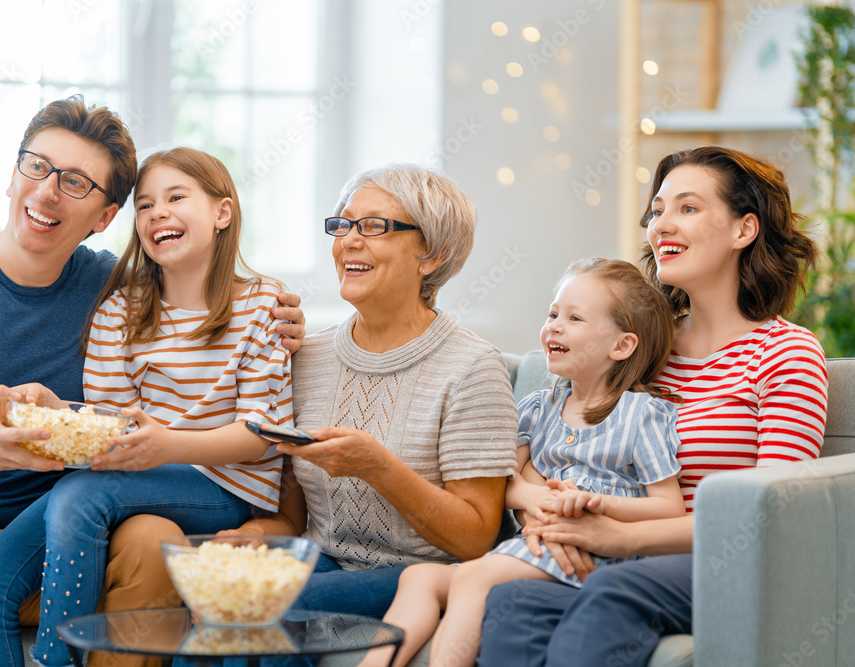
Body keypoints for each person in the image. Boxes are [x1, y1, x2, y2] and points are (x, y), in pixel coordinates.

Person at [0, 96, 306, 667]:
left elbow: (214, 303)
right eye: (37, 166)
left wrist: (293, 327)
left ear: (105, 216)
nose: (46, 191)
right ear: (13, 174)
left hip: (105, 536)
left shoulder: (120, 293)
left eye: (74, 182)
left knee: (150, 539)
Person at [477, 146, 828, 667]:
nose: (662, 224)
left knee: (617, 592)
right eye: (657, 210)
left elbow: (771, 513)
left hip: (718, 559)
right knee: (513, 601)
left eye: (687, 208)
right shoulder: (640, 350)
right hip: (615, 547)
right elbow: (562, 447)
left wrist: (619, 538)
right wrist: (550, 514)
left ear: (743, 230)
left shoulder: (785, 352)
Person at [0, 146, 294, 666]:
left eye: (176, 197)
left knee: (79, 496)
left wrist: (166, 445)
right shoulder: (120, 311)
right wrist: (57, 411)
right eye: (144, 205)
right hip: (133, 474)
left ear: (222, 213)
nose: (157, 212)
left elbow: (259, 436)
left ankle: (57, 659)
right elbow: (111, 433)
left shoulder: (263, 305)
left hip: (225, 484)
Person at [225, 164, 519, 621]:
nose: (348, 241)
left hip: (422, 575)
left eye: (374, 227)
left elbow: (476, 537)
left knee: (267, 606)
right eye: (343, 224)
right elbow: (292, 506)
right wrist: (261, 529)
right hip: (324, 560)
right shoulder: (308, 356)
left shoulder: (473, 367)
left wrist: (378, 467)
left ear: (433, 255)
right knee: (216, 590)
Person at [361, 258, 685, 667]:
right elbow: (505, 480)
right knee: (419, 577)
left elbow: (669, 507)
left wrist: (596, 504)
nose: (555, 326)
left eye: (575, 318)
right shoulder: (539, 406)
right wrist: (538, 497)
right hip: (535, 543)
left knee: (473, 578)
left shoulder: (642, 414)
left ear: (621, 345)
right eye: (553, 314)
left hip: (598, 553)